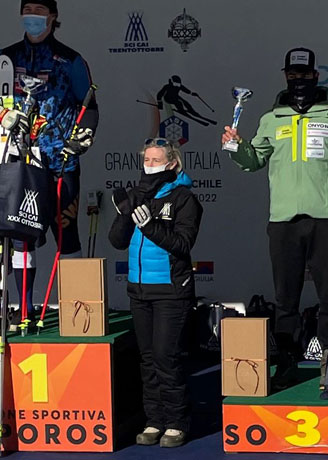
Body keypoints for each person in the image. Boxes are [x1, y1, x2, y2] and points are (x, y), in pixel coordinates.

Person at [220, 47, 328, 388]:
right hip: (284, 221)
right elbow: (253, 160)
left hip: (326, 218)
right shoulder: (271, 118)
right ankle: (286, 363)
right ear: (285, 76)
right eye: (293, 74)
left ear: (316, 76)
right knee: (285, 299)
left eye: (304, 74)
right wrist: (236, 147)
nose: (299, 80)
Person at [0, 0, 98, 320]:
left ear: (53, 16)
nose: (33, 16)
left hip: (60, 161)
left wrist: (82, 137)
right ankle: (24, 310)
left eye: (39, 11)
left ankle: (77, 313)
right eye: (27, 10)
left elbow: (89, 107)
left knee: (65, 232)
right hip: (20, 160)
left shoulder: (70, 60)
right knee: (20, 234)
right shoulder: (5, 57)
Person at [109, 138, 202, 448]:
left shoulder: (184, 198)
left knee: (166, 357)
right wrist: (124, 214)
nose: (149, 165)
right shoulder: (138, 194)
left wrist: (149, 226)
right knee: (147, 359)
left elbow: (182, 244)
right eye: (146, 160)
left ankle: (176, 422)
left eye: (156, 160)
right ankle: (154, 420)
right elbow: (117, 241)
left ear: (172, 163)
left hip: (171, 290)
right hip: (139, 289)